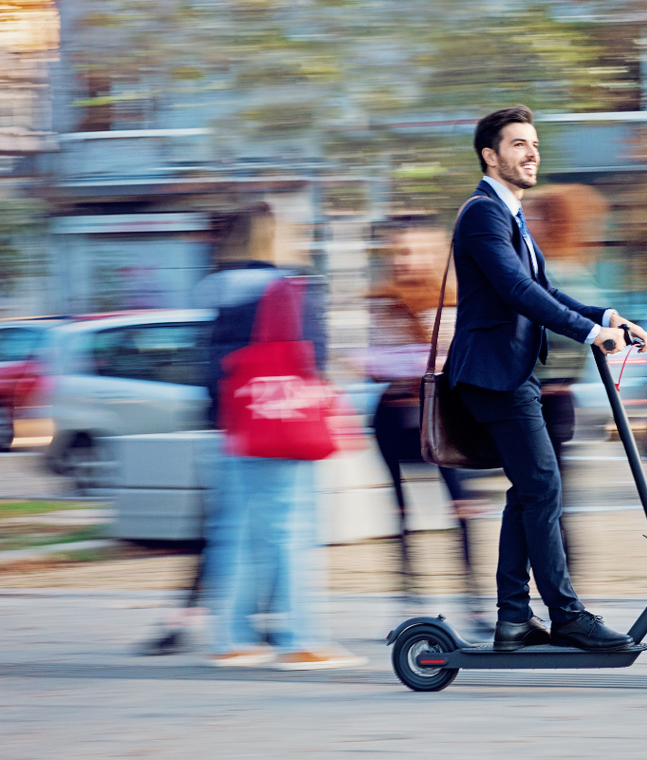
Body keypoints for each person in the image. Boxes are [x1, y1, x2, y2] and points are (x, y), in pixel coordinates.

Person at [448, 105, 647, 652]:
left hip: (514, 374)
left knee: (530, 490)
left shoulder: (512, 217)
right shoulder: (482, 215)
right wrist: (589, 337)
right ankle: (564, 614)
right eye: (518, 144)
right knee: (543, 487)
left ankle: (515, 618)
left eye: (534, 143)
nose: (531, 152)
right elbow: (518, 292)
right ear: (491, 156)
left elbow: (548, 290)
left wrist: (609, 319)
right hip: (493, 377)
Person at [198, 204, 366, 669]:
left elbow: (208, 370)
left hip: (235, 424)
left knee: (235, 533)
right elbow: (313, 356)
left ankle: (231, 637)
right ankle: (302, 638)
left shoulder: (216, 289)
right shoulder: (290, 286)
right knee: (293, 529)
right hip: (283, 423)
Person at [366, 222, 489, 631]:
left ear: (433, 256)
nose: (404, 260)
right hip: (394, 418)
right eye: (399, 252)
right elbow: (380, 363)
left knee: (461, 507)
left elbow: (451, 362)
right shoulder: (383, 302)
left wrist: (406, 359)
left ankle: (474, 604)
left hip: (440, 417)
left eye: (413, 251)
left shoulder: (451, 300)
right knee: (400, 511)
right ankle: (409, 602)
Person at [523, 185, 611, 578]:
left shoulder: (556, 274)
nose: (530, 224)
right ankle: (561, 581)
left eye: (538, 216)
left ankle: (560, 582)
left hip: (544, 399)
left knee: (545, 499)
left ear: (555, 222)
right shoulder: (578, 273)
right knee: (550, 497)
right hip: (558, 400)